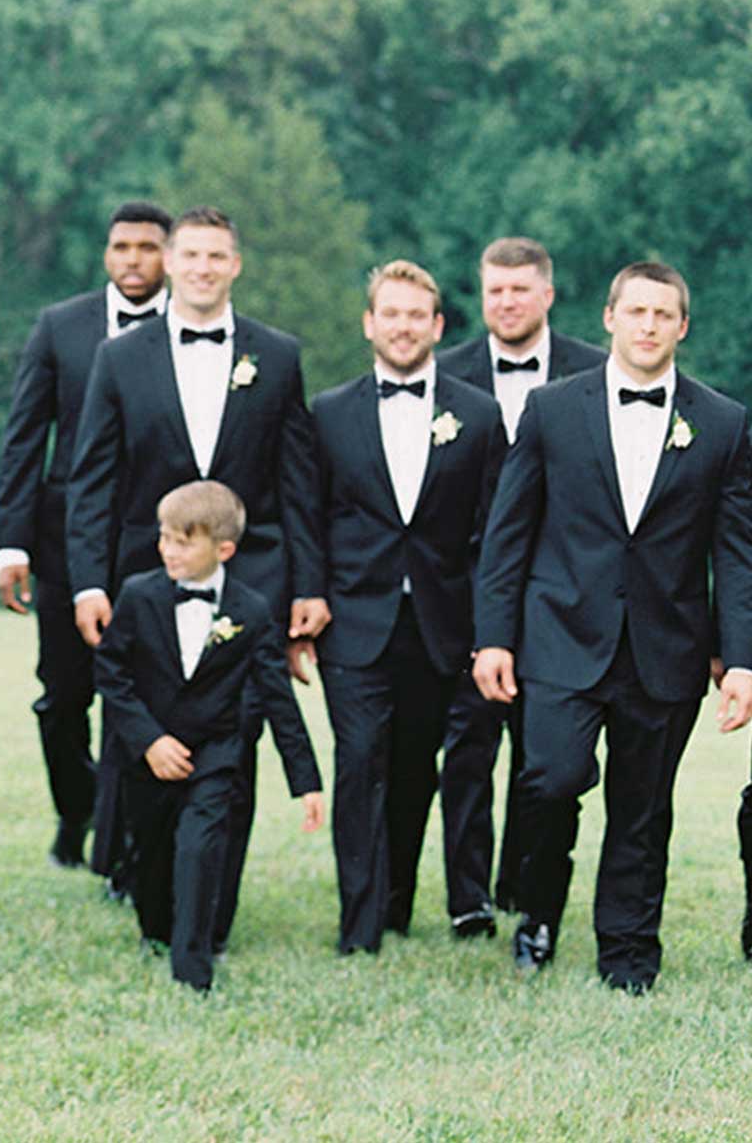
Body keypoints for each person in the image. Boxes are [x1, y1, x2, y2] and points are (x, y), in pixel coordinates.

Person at [472, 260, 752, 993]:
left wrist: (742, 658)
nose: (649, 326)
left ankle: (628, 953)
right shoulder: (550, 409)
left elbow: (736, 552)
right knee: (552, 778)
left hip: (667, 649)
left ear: (683, 326)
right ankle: (537, 911)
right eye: (637, 312)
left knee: (642, 807)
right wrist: (494, 636)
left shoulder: (723, 424)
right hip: (559, 639)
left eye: (664, 315)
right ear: (610, 317)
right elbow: (508, 535)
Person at [64, 205, 326, 947]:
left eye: (219, 256)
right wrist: (89, 583)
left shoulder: (277, 356)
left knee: (231, 746)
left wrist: (307, 587)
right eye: (193, 256)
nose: (205, 268)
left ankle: (209, 914)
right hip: (145, 576)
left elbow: (298, 483)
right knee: (143, 739)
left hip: (252, 581)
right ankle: (143, 885)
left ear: (235, 266)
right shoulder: (121, 357)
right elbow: (92, 480)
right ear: (170, 264)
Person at [310, 260, 505, 953]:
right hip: (353, 623)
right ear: (369, 323)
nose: (402, 326)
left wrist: (490, 630)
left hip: (440, 627)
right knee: (360, 760)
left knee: (415, 770)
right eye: (389, 314)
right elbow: (311, 517)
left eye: (415, 315)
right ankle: (358, 929)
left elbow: (493, 532)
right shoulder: (329, 413)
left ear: (437, 326)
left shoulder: (478, 416)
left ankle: (394, 904)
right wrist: (307, 599)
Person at [0, 201, 172, 875]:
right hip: (66, 543)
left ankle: (124, 839)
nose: (133, 259)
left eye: (147, 247)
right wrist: (12, 544)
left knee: (144, 696)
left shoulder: (187, 334)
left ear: (169, 256)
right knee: (63, 696)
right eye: (121, 246)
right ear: (105, 253)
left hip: (160, 548)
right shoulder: (59, 327)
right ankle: (78, 809)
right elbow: (23, 440)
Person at [94, 480, 323, 992]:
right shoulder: (138, 595)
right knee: (152, 860)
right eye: (164, 539)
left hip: (217, 754)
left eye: (182, 542)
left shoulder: (252, 610)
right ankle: (157, 928)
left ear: (223, 550)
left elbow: (277, 698)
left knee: (201, 849)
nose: (168, 551)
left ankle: (193, 969)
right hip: (150, 755)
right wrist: (149, 740)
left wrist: (305, 781)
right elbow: (111, 674)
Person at [435, 236, 606, 920]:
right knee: (469, 748)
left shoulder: (597, 372)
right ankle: (469, 896)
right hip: (467, 593)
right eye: (494, 290)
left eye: (519, 289)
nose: (505, 302)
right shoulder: (446, 374)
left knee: (542, 757)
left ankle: (521, 885)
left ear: (548, 294)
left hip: (566, 598)